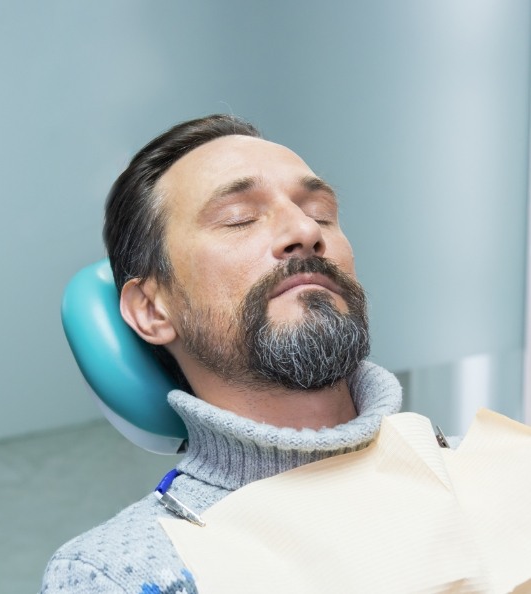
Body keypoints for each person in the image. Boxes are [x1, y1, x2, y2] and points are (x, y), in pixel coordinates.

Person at [41, 114, 403, 593]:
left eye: (320, 213)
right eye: (240, 218)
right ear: (152, 310)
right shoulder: (116, 574)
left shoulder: (493, 474)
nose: (304, 230)